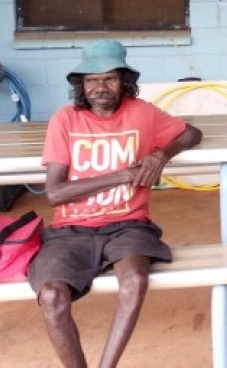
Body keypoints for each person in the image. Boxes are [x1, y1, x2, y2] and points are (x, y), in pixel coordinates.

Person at [27, 39, 203, 368]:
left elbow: (191, 133)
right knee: (51, 295)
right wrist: (121, 175)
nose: (100, 87)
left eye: (109, 78)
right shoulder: (65, 120)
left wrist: (162, 154)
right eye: (91, 80)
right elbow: (54, 193)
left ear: (124, 80)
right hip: (70, 230)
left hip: (128, 224)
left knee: (135, 280)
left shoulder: (141, 112)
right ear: (81, 85)